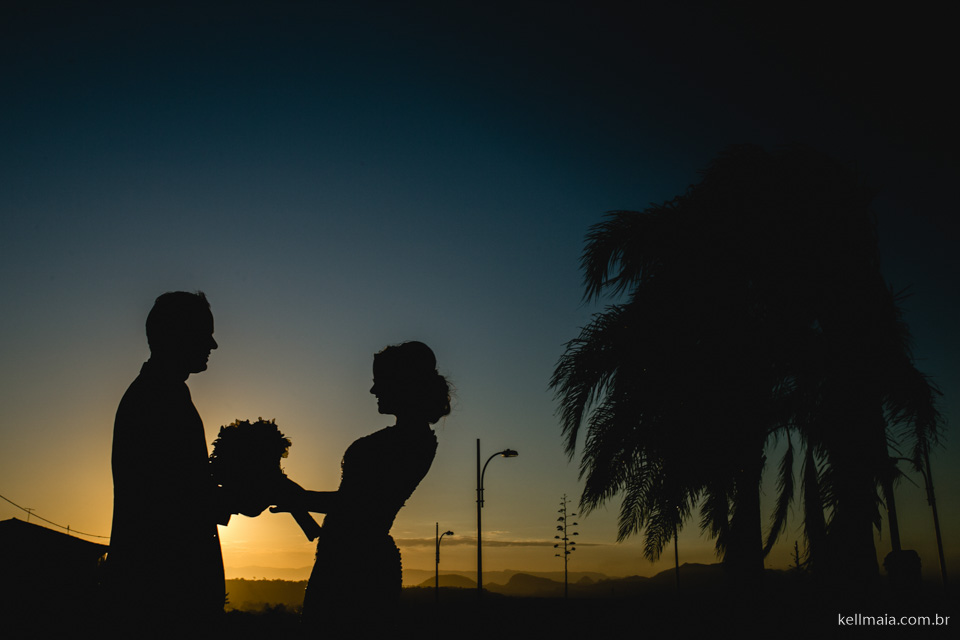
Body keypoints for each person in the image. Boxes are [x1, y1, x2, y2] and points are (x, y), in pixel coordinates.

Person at [276, 341, 450, 633]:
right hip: (346, 556)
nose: (373, 390)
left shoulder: (410, 442)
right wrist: (295, 496)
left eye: (378, 382)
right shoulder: (410, 439)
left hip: (357, 566)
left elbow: (357, 505)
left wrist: (297, 497)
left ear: (402, 384)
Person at [105, 291, 242, 632]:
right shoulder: (156, 398)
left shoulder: (166, 392)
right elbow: (169, 501)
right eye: (204, 333)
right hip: (161, 591)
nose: (213, 345)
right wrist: (240, 495)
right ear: (177, 335)